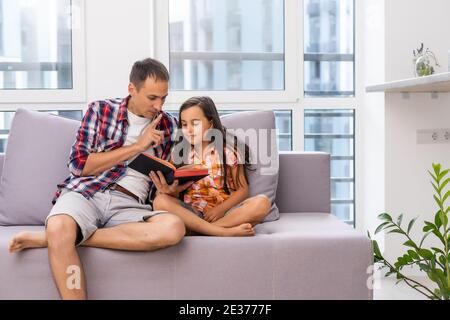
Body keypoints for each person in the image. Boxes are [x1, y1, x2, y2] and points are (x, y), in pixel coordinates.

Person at [8, 58, 191, 300]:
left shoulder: (169, 125)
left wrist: (168, 189)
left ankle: (63, 238)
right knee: (60, 226)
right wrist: (138, 146)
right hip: (87, 193)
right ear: (132, 89)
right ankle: (62, 235)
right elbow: (79, 165)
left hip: (131, 204)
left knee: (173, 228)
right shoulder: (101, 110)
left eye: (164, 98)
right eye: (152, 98)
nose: (159, 105)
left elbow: (166, 180)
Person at [152, 96, 271, 236]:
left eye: (195, 123)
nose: (189, 130)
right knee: (160, 201)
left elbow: (243, 190)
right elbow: (174, 193)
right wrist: (171, 191)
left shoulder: (228, 152)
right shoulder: (179, 154)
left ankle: (205, 230)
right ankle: (219, 231)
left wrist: (220, 210)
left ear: (210, 123)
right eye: (184, 124)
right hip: (192, 214)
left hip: (224, 214)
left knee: (262, 202)